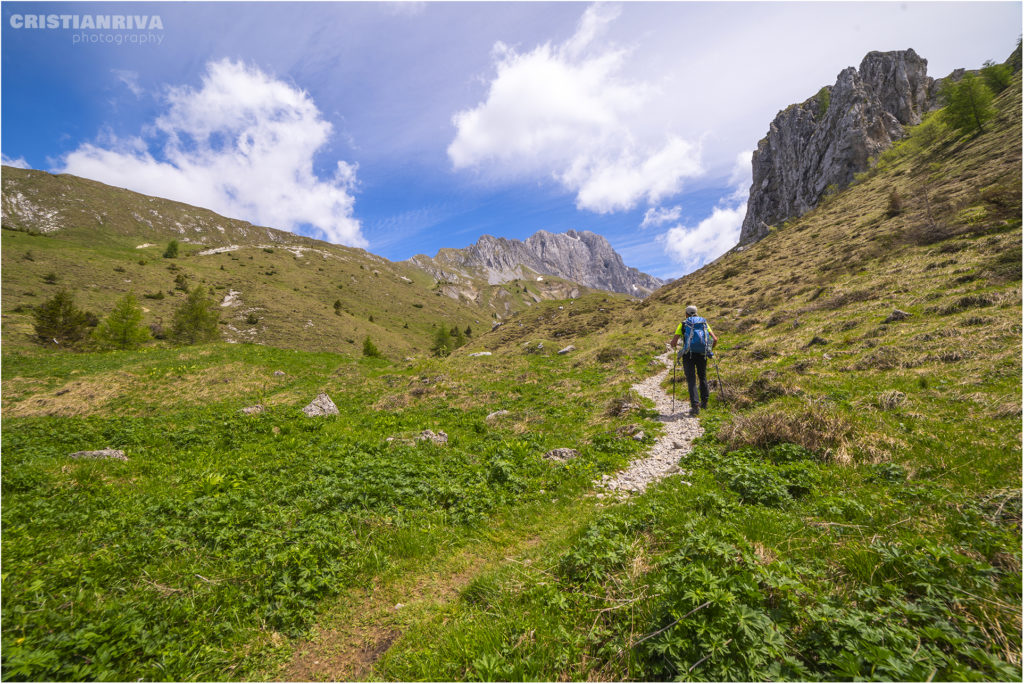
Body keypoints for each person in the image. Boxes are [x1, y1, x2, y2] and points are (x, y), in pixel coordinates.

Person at [669, 305, 718, 416]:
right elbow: (715, 339)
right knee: (702, 376)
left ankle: (695, 406)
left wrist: (675, 346)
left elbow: (674, 342)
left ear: (686, 313)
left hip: (688, 355)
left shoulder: (683, 323)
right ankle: (704, 403)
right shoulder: (704, 323)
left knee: (691, 379)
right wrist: (709, 349)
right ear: (696, 313)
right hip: (702, 354)